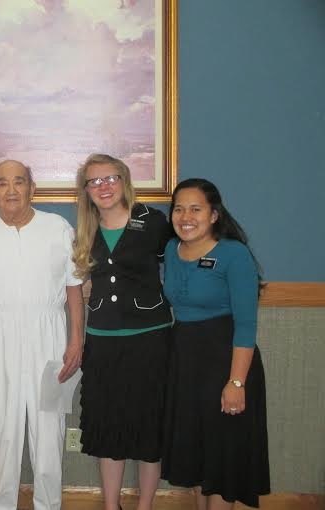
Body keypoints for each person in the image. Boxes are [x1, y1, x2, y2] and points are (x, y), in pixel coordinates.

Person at [0, 160, 85, 510]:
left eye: (19, 182)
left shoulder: (58, 228)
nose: (11, 190)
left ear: (32, 188)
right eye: (2, 183)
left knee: (49, 430)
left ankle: (49, 504)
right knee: (3, 427)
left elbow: (74, 289)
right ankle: (0, 504)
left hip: (51, 338)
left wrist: (76, 340)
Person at [161, 178, 270, 509]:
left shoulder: (234, 254)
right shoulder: (171, 250)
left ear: (213, 215)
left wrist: (236, 383)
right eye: (179, 209)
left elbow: (246, 324)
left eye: (196, 209)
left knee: (223, 457)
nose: (185, 217)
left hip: (225, 362)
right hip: (185, 363)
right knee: (196, 454)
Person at [72, 154, 173, 510]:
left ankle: (145, 505)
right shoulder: (86, 230)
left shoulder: (153, 221)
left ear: (125, 181)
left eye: (110, 178)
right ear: (86, 190)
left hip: (150, 339)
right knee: (108, 425)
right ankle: (110, 504)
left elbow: (180, 260)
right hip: (103, 341)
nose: (104, 186)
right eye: (94, 181)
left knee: (149, 425)